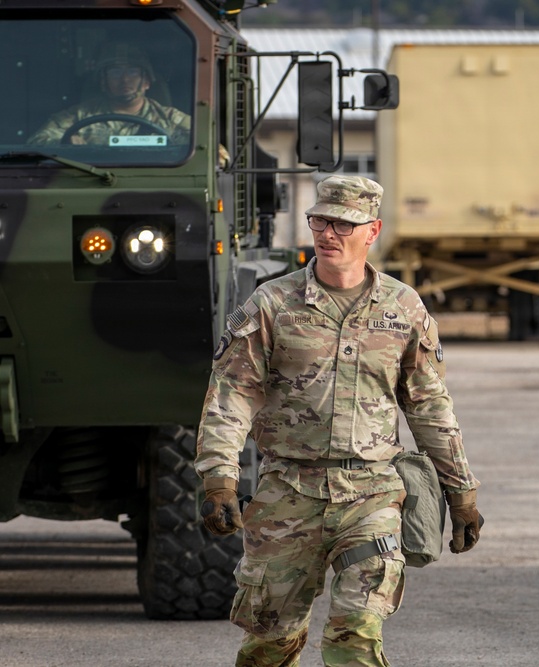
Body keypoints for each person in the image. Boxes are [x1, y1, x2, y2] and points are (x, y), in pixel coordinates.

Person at [195, 174, 482, 667]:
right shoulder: (272, 303)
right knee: (270, 641)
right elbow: (232, 395)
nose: (329, 234)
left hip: (371, 492)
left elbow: (429, 406)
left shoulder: (402, 307)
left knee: (357, 631)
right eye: (320, 221)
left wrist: (462, 493)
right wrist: (219, 478)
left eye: (344, 224)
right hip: (287, 491)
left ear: (373, 231)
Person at [27, 43, 190, 147]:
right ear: (103, 83)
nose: (125, 79)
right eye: (115, 72)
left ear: (147, 81)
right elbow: (35, 143)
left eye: (133, 72)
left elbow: (207, 149)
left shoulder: (170, 119)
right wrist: (63, 143)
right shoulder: (79, 116)